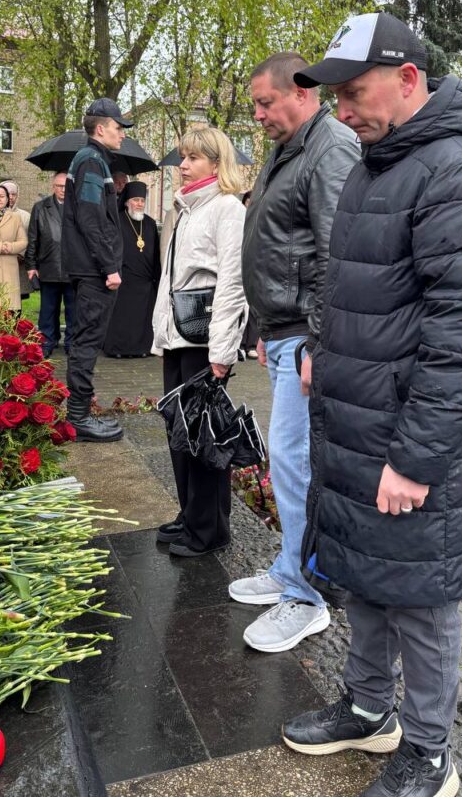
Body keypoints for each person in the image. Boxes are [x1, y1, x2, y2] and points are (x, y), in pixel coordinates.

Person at [281, 13, 462, 797]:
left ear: (408, 79)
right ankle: (367, 707)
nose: (341, 109)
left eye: (354, 92)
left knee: (420, 597)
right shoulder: (379, 162)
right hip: (360, 421)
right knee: (368, 575)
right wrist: (323, 349)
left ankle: (429, 752)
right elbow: (360, 283)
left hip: (413, 437)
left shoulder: (460, 170)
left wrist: (415, 460)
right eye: (337, 95)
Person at [229, 51, 359, 653]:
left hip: (308, 338)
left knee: (296, 464)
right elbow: (280, 243)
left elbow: (337, 254)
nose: (258, 115)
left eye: (265, 102)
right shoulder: (289, 148)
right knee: (288, 462)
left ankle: (308, 596)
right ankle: (289, 569)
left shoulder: (329, 149)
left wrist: (317, 340)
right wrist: (265, 326)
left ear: (302, 93)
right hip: (284, 332)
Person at [152, 126, 247, 557]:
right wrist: (161, 335)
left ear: (216, 163)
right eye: (182, 157)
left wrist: (222, 351)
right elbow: (170, 279)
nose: (183, 165)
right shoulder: (187, 208)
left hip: (204, 339)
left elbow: (233, 282)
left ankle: (210, 529)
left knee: (204, 437)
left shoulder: (227, 208)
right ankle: (191, 514)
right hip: (178, 335)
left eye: (193, 158)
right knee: (179, 432)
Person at [61, 98, 132, 442]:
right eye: (119, 128)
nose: (123, 134)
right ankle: (78, 418)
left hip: (91, 268)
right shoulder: (91, 161)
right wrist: (109, 266)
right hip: (94, 270)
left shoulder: (94, 160)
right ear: (101, 129)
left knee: (85, 339)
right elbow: (91, 220)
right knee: (87, 341)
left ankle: (79, 413)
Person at [104, 181, 161, 357]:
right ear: (127, 202)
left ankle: (142, 349)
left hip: (145, 281)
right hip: (124, 279)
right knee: (123, 317)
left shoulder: (150, 223)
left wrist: (157, 280)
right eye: (136, 200)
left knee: (142, 318)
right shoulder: (117, 221)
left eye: (142, 200)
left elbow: (156, 254)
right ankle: (119, 349)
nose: (139, 204)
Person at [26, 172, 76, 358]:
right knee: (48, 309)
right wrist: (31, 265)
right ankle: (47, 341)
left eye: (66, 186)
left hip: (73, 268)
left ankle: (71, 342)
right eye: (59, 186)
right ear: (53, 187)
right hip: (48, 265)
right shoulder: (40, 207)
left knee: (73, 309)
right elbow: (33, 238)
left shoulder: (79, 206)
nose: (63, 189)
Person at [0, 180, 32, 302]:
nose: (11, 197)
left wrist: (20, 255)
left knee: (15, 302)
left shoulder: (25, 216)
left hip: (18, 266)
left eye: (14, 194)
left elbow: (31, 238)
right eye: (7, 193)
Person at [239, 191, 259, 358]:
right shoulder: (237, 218)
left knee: (253, 308)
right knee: (239, 307)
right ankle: (240, 343)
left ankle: (251, 344)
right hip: (239, 267)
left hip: (255, 268)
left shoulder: (260, 219)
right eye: (247, 201)